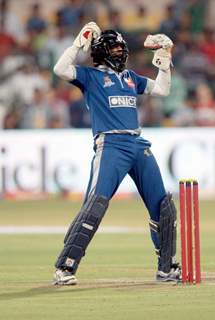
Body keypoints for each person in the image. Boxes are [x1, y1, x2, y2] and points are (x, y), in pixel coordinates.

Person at [53, 21, 181, 285]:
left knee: (163, 205)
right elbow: (60, 69)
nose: (120, 52)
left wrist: (165, 61)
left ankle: (166, 267)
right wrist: (78, 44)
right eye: (114, 48)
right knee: (95, 205)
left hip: (137, 144)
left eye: (121, 47)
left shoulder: (130, 78)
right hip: (110, 146)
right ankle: (65, 267)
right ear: (100, 51)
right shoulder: (90, 76)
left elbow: (162, 89)